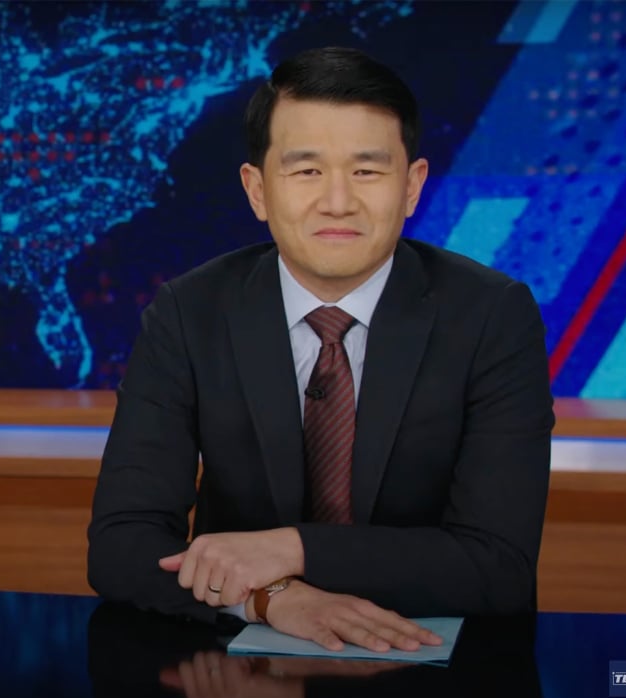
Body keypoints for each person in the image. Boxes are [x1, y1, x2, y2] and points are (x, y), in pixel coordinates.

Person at [87, 46, 555, 653]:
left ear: (412, 187)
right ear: (257, 190)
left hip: (438, 661)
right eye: (306, 171)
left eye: (367, 171)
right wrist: (272, 596)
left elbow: (498, 566)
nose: (338, 201)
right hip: (239, 665)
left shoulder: (492, 316)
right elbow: (123, 544)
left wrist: (291, 548)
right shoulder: (188, 313)